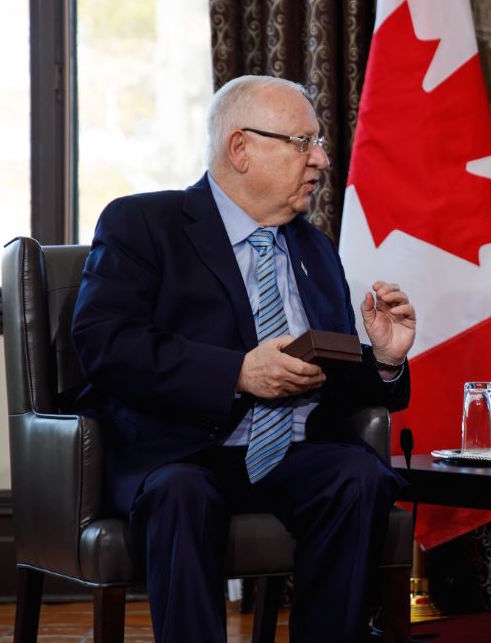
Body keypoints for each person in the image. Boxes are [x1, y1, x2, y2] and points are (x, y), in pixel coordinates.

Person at [71, 75, 416, 642]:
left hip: (295, 451)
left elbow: (328, 374)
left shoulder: (314, 247)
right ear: (240, 148)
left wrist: (382, 358)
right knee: (181, 494)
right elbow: (105, 343)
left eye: (319, 143)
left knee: (359, 475)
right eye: (304, 143)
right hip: (184, 450)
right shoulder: (143, 225)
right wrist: (237, 372)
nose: (323, 160)